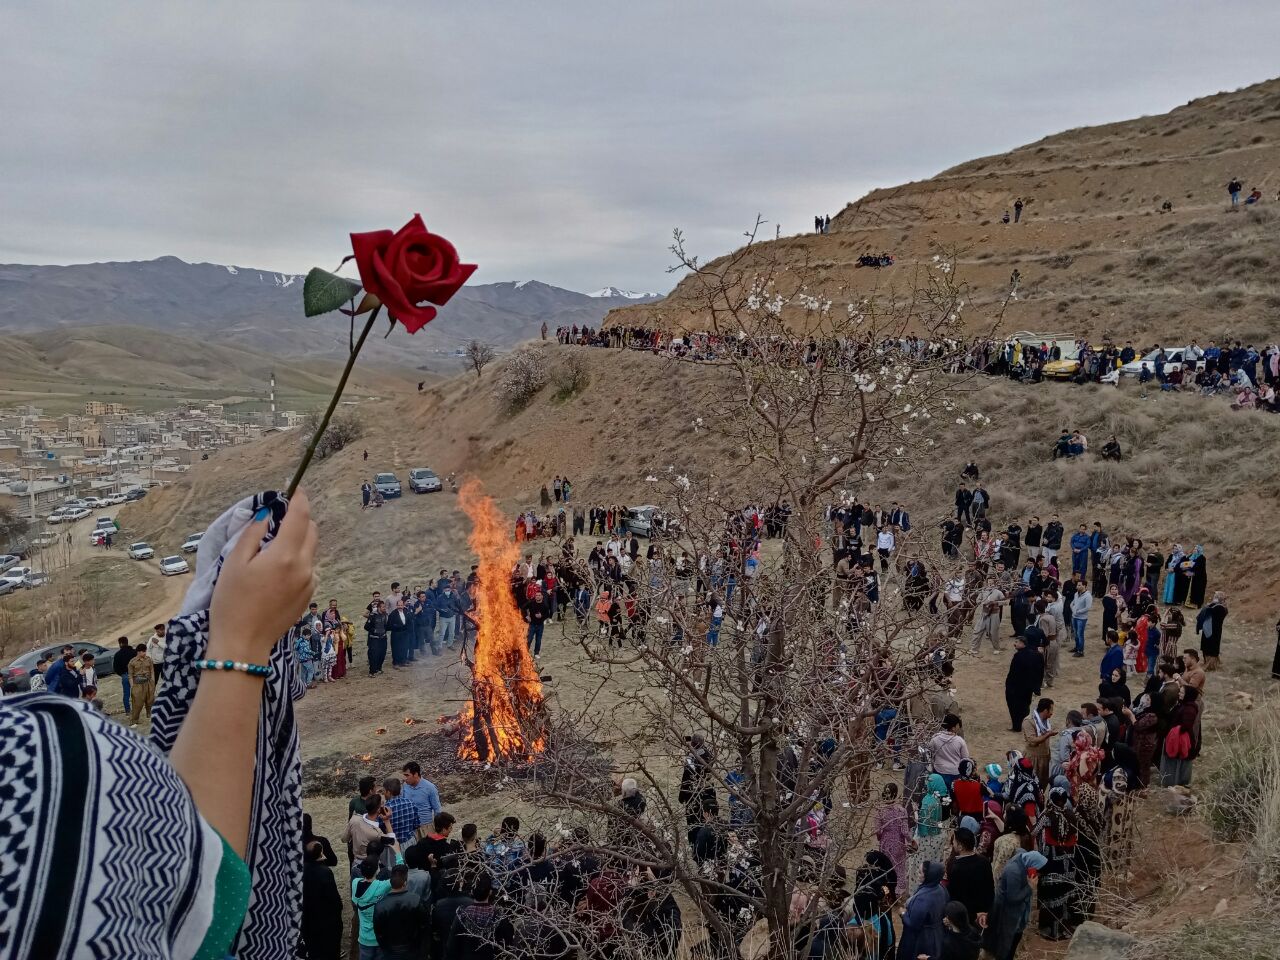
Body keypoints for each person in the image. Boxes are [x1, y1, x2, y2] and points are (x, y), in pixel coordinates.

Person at [1, 488, 318, 959]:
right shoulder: (35, 785)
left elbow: (198, 889)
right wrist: (238, 643)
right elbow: (201, 906)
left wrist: (236, 642)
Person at [983, 850, 1047, 960]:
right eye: (1038, 871)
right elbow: (1013, 898)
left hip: (1014, 913)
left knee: (1012, 940)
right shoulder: (1014, 871)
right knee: (1006, 944)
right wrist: (1030, 887)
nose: (1037, 874)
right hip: (1007, 913)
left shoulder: (1023, 858)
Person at [373, 864, 429, 959]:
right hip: (412, 948)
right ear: (405, 883)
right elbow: (424, 926)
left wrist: (386, 948)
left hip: (390, 951)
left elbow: (379, 933)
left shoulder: (380, 905)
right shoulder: (416, 900)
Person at [301, 839, 343, 960]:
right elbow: (333, 898)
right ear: (320, 854)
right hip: (325, 919)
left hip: (308, 918)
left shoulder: (301, 870)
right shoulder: (324, 872)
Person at [946, 827, 994, 931]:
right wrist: (985, 913)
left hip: (965, 916)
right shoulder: (984, 861)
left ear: (960, 846)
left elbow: (955, 897)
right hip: (983, 915)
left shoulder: (957, 868)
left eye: (954, 841)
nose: (952, 843)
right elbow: (990, 889)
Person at [898, 861, 947, 960]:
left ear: (928, 876)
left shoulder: (923, 898)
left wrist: (903, 914)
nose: (917, 873)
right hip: (937, 935)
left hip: (921, 938)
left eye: (920, 872)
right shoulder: (940, 888)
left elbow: (913, 924)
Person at [874, 782, 910, 898]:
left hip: (886, 843)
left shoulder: (880, 811)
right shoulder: (902, 811)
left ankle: (887, 892)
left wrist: (880, 838)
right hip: (899, 843)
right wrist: (911, 840)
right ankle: (898, 893)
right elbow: (905, 831)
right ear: (896, 795)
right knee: (899, 868)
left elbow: (878, 831)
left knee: (886, 868)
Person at [1004, 637, 1044, 732]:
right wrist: (1036, 687)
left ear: (1023, 644)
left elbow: (1013, 673)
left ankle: (1017, 726)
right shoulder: (1035, 655)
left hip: (1016, 687)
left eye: (1017, 642)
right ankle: (1024, 724)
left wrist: (1009, 685)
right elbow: (1039, 671)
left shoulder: (1018, 656)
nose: (1015, 644)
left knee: (1014, 707)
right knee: (1025, 706)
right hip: (1028, 687)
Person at [402, 762, 443, 841]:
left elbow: (437, 809)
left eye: (407, 775)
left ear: (416, 774)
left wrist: (437, 828)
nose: (405, 778)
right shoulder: (404, 787)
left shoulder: (430, 788)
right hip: (411, 829)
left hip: (426, 828)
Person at [1021, 697, 1054, 785]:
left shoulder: (1046, 721)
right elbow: (1033, 741)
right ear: (1045, 710)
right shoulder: (1028, 721)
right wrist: (1048, 734)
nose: (1052, 713)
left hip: (1045, 758)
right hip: (1032, 759)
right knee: (1030, 784)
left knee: (1043, 783)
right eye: (1051, 709)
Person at [1196, 592, 1228, 670]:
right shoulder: (1219, 607)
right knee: (1208, 646)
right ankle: (1208, 662)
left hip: (1212, 630)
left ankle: (1210, 664)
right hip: (1211, 629)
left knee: (1210, 646)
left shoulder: (1219, 608)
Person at [127, 642, 156, 726]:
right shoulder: (132, 662)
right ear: (139, 652)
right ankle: (134, 720)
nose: (145, 653)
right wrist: (132, 686)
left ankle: (150, 715)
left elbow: (152, 671)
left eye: (145, 651)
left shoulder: (149, 659)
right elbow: (130, 675)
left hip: (148, 682)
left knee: (150, 700)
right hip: (138, 683)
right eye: (143, 652)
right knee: (137, 703)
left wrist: (153, 682)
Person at [112, 635, 134, 714]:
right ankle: (136, 708)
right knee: (136, 692)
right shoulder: (133, 652)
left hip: (125, 675)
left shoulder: (117, 654)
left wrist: (122, 674)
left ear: (120, 644)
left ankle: (128, 711)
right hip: (135, 675)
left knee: (126, 694)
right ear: (127, 642)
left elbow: (115, 668)